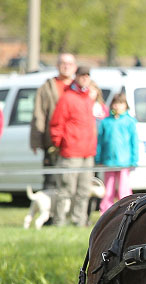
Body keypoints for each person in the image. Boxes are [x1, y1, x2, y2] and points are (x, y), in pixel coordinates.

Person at [48, 66, 98, 226]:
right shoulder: (67, 98)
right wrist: (59, 143)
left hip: (87, 152)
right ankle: (59, 221)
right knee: (66, 190)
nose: (84, 78)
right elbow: (56, 123)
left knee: (84, 191)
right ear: (76, 77)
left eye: (87, 75)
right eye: (82, 75)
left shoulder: (89, 98)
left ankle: (80, 221)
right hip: (71, 152)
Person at [30, 53, 77, 189]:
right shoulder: (47, 87)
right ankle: (50, 211)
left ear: (75, 67)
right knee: (51, 180)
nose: (66, 67)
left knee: (72, 183)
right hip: (53, 143)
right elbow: (38, 114)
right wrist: (36, 140)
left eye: (69, 64)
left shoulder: (82, 87)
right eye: (63, 63)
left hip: (75, 144)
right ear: (57, 66)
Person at [96, 93, 139, 213]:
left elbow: (134, 142)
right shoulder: (106, 122)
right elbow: (100, 142)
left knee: (123, 189)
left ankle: (127, 210)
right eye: (115, 103)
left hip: (124, 161)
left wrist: (134, 160)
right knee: (108, 189)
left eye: (121, 103)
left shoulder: (129, 121)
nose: (117, 106)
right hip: (108, 161)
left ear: (126, 106)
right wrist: (98, 158)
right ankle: (105, 212)